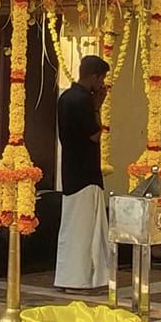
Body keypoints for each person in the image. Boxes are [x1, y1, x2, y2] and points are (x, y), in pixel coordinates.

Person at [55, 55, 113, 292]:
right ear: (94, 76)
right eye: (102, 79)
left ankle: (70, 277)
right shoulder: (82, 101)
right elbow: (94, 135)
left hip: (71, 170)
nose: (102, 85)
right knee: (85, 230)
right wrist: (98, 108)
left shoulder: (65, 97)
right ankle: (78, 279)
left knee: (72, 227)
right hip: (85, 174)